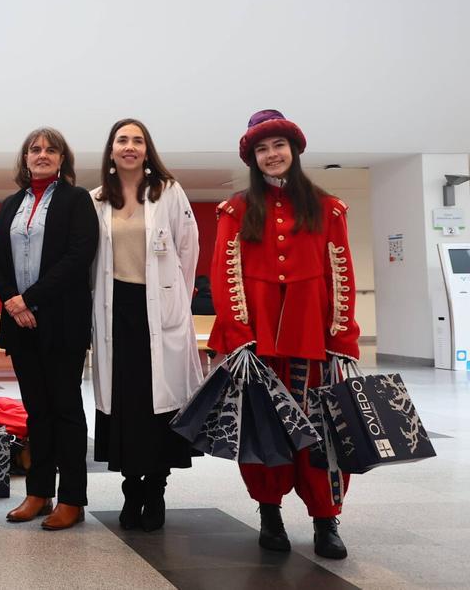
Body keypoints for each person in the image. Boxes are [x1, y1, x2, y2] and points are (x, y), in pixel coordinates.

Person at [208, 109, 360, 559]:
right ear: (253, 159)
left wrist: (341, 338)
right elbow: (225, 274)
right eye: (262, 149)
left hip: (314, 342)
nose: (271, 155)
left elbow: (341, 274)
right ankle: (269, 514)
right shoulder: (235, 209)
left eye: (278, 146)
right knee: (264, 435)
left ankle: (326, 520)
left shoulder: (328, 207)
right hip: (259, 348)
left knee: (324, 435)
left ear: (293, 150)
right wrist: (239, 337)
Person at [89, 118, 203, 532]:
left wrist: (176, 295)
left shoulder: (168, 192)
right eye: (122, 140)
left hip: (159, 308)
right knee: (125, 405)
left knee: (159, 407)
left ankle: (155, 489)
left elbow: (188, 247)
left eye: (137, 140)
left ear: (147, 148)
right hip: (116, 311)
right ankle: (130, 487)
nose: (130, 147)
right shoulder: (97, 198)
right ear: (112, 149)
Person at [0, 127, 98, 530]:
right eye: (35, 149)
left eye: (51, 150)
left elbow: (77, 257)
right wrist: (13, 301)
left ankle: (71, 498)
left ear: (62, 159)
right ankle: (38, 493)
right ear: (24, 159)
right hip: (21, 325)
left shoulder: (76, 200)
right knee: (36, 412)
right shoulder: (10, 204)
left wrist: (29, 298)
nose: (42, 155)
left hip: (61, 322)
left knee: (66, 410)